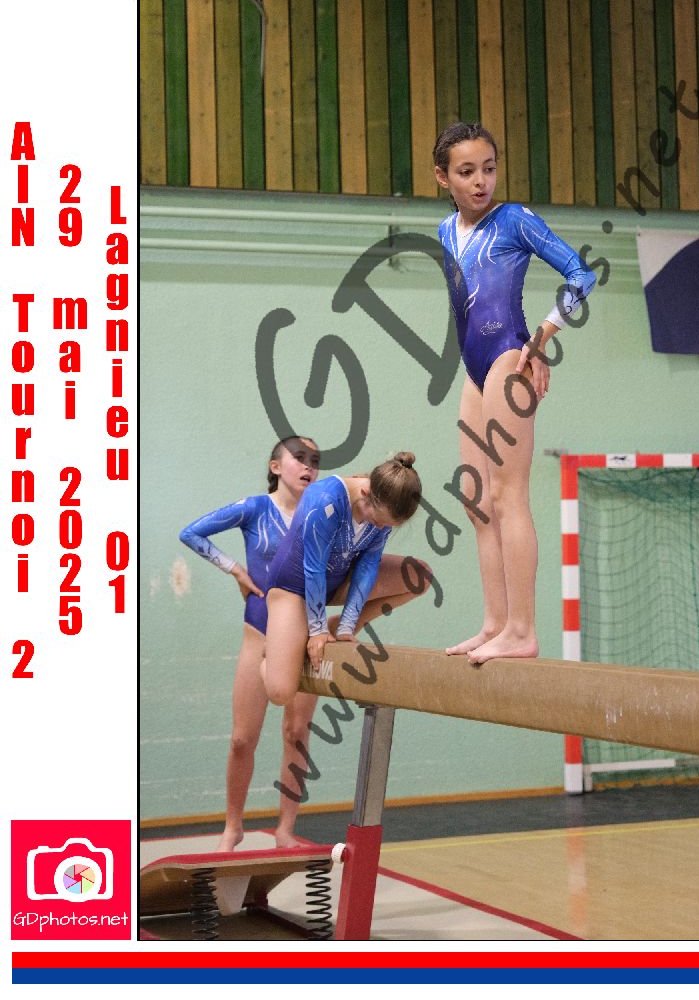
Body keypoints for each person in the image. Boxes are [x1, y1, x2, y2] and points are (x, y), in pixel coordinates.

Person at [433, 121, 597, 664]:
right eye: (466, 172)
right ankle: (495, 623)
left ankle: (523, 629)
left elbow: (582, 275)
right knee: (477, 502)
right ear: (443, 178)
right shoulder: (445, 231)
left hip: (509, 357)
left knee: (508, 496)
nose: (481, 181)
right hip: (474, 370)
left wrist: (543, 336)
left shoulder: (515, 220)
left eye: (489, 168)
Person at [179, 436, 322, 850]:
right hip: (258, 635)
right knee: (242, 739)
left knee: (297, 731)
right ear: (276, 466)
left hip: (303, 639)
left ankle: (285, 829)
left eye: (315, 461)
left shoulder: (318, 516)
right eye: (299, 458)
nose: (308, 466)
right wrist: (235, 570)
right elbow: (191, 533)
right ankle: (233, 826)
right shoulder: (255, 509)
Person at [264, 452, 427, 704]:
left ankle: (334, 625)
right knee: (280, 692)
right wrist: (317, 631)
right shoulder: (325, 499)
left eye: (387, 525)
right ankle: (272, 655)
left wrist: (346, 627)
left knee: (420, 575)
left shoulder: (382, 511)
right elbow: (314, 568)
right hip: (293, 586)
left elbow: (369, 564)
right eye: (378, 520)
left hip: (337, 581)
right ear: (365, 493)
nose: (380, 527)